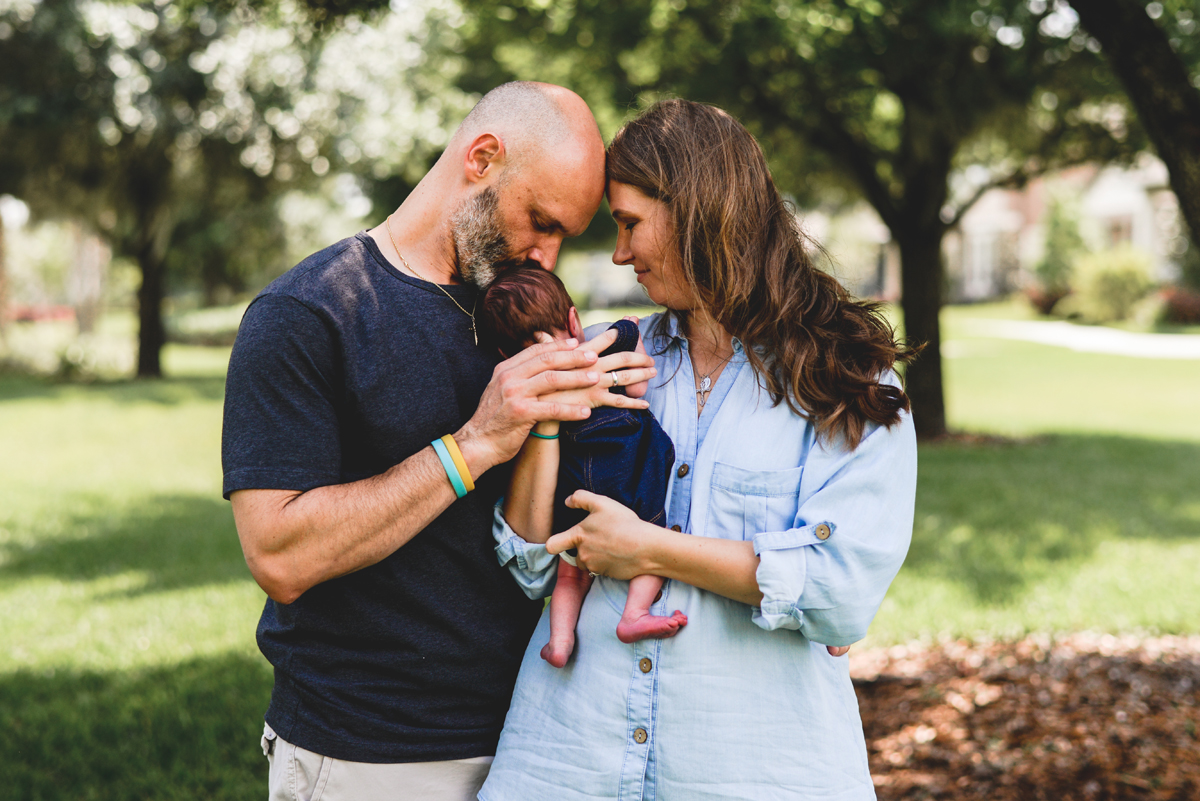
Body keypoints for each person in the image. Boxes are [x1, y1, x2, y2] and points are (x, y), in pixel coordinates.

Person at [221, 82, 657, 801]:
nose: (544, 257)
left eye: (563, 238)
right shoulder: (308, 313)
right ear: (482, 158)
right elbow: (279, 554)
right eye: (539, 222)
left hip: (539, 743)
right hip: (373, 755)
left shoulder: (523, 311)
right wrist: (475, 443)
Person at [479, 99, 919, 800]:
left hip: (753, 771)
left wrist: (649, 549)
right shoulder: (611, 354)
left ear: (697, 210)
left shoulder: (845, 376)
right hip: (570, 761)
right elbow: (532, 563)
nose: (620, 254)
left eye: (629, 224)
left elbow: (840, 589)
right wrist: (549, 419)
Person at [477, 266, 685, 669]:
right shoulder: (606, 345)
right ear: (574, 319)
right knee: (650, 543)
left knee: (571, 571)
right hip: (625, 471)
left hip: (571, 486)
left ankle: (559, 641)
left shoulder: (525, 387)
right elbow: (639, 386)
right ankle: (634, 614)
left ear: (505, 354)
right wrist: (631, 331)